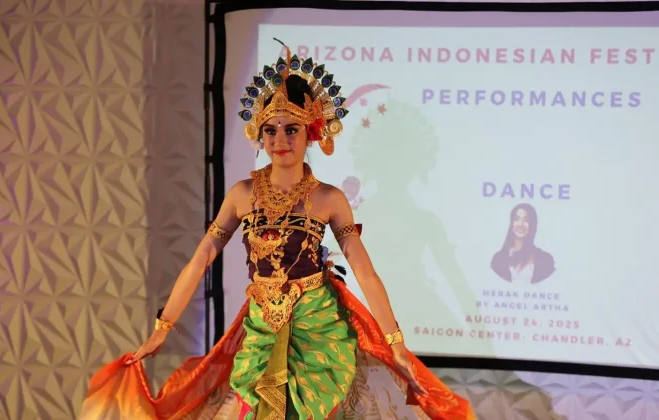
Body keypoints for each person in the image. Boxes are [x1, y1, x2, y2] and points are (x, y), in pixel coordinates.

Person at [79, 42, 476, 420]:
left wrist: (396, 343)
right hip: (262, 327)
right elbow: (201, 258)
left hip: (317, 329)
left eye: (291, 129)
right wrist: (161, 329)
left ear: (311, 133)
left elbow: (365, 272)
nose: (280, 140)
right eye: (270, 130)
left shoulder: (329, 198)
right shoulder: (242, 194)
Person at [491, 203, 555, 284]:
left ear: (533, 225)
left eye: (526, 220)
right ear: (511, 223)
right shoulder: (498, 259)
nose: (520, 224)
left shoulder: (545, 260)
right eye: (517, 219)